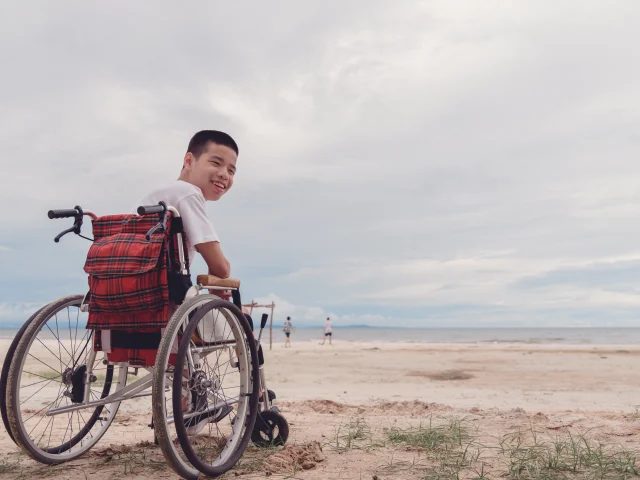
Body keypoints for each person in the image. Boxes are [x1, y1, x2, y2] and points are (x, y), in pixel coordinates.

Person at [137, 130, 238, 434]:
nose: (224, 174)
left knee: (191, 316)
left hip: (134, 304)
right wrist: (221, 279)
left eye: (232, 170)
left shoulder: (152, 196)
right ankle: (250, 401)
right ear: (189, 160)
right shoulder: (187, 194)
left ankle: (190, 403)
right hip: (167, 307)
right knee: (241, 325)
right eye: (217, 163)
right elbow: (219, 265)